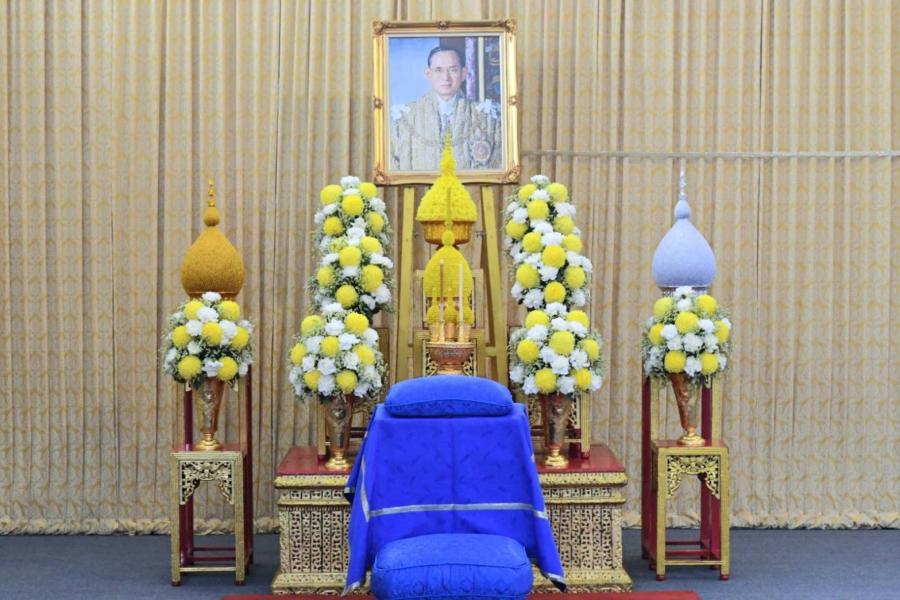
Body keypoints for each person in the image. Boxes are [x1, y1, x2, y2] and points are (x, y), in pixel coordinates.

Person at [391, 45, 503, 171]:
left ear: (463, 73)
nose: (446, 77)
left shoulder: (486, 118)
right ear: (428, 74)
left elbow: (498, 166)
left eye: (453, 70)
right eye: (438, 70)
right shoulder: (405, 118)